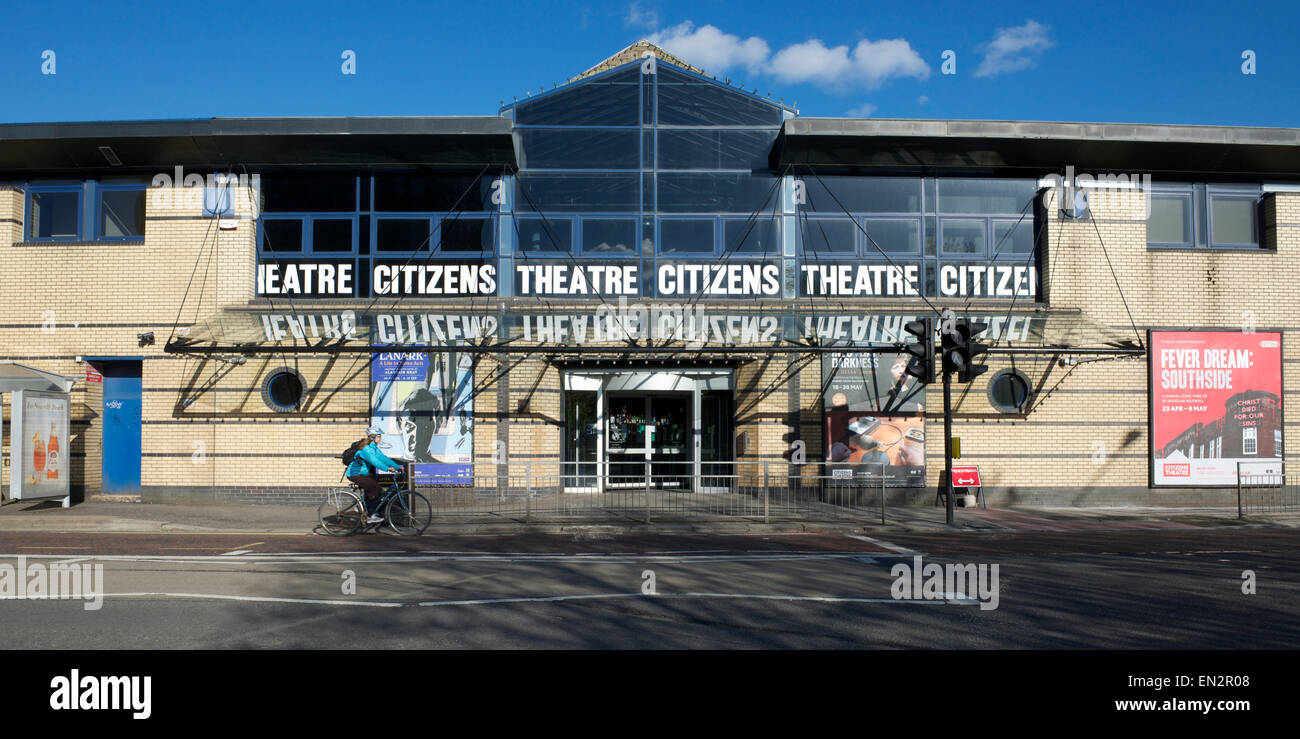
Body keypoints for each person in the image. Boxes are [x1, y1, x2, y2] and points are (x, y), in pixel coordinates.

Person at [346, 426, 406, 524]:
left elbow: (383, 458)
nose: (381, 438)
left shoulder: (373, 448)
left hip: (362, 474)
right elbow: (374, 461)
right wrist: (387, 468)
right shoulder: (366, 449)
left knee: (376, 489)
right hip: (355, 474)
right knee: (375, 488)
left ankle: (363, 508)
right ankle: (369, 515)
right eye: (379, 436)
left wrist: (397, 467)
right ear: (373, 437)